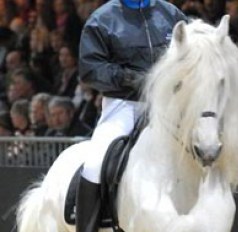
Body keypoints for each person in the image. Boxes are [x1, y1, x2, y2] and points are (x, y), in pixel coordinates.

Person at [76, 0, 188, 231]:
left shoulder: (171, 13)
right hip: (125, 105)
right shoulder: (101, 20)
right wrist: (134, 79)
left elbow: (191, 54)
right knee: (95, 163)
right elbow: (91, 69)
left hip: (170, 103)